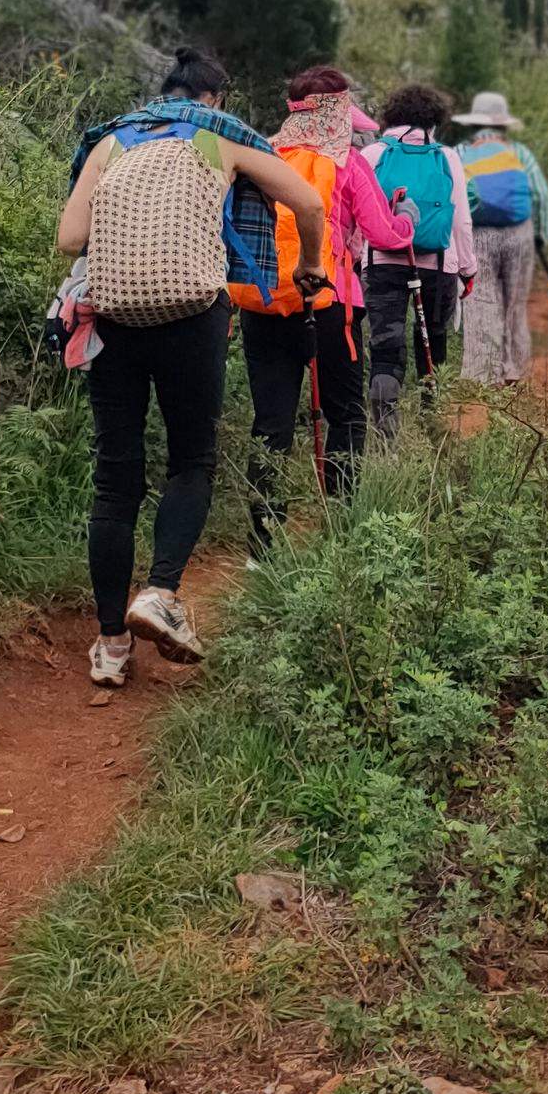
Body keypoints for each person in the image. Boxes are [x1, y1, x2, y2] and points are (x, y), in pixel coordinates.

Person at [57, 48, 325, 686]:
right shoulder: (219, 136)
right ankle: (162, 592)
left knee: (115, 478)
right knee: (191, 459)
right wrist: (309, 265)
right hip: (192, 316)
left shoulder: (113, 140)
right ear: (214, 100)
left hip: (114, 314)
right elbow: (308, 205)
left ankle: (110, 646)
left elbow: (70, 238)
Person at [239, 66, 416, 552]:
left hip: (264, 302)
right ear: (337, 114)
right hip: (329, 305)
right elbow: (383, 234)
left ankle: (262, 543)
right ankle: (341, 524)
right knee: (345, 415)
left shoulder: (262, 156)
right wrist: (405, 221)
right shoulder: (349, 164)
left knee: (270, 423)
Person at [361, 83, 477, 429]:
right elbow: (461, 220)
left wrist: (357, 262)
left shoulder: (374, 154)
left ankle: (386, 428)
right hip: (439, 265)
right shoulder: (447, 156)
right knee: (434, 339)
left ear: (392, 115)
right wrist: (468, 270)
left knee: (385, 345)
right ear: (434, 119)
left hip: (382, 262)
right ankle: (431, 419)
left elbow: (357, 215)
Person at [454, 89, 548, 386]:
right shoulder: (519, 152)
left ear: (472, 123)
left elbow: (455, 196)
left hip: (477, 232)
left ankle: (482, 376)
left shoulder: (459, 152)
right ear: (504, 124)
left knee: (481, 301)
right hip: (518, 233)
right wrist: (541, 235)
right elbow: (540, 195)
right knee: (515, 303)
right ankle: (515, 371)